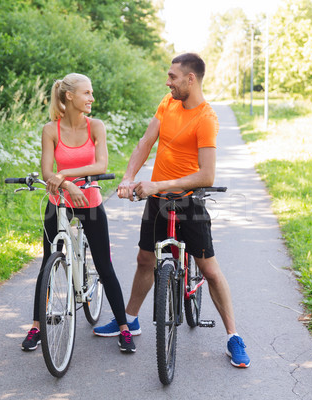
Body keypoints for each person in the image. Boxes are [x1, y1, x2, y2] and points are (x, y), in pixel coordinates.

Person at [93, 54, 250, 367]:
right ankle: (131, 318)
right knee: (144, 258)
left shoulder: (206, 118)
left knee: (209, 269)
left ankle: (234, 336)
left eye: (172, 77)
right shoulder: (167, 103)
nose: (168, 82)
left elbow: (207, 175)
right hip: (158, 199)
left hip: (189, 202)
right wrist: (128, 177)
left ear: (190, 79)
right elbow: (145, 142)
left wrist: (159, 184)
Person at [21, 73, 136, 353]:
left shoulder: (96, 126)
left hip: (90, 201)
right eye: (87, 93)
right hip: (59, 200)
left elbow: (101, 165)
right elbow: (47, 172)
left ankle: (124, 328)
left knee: (104, 266)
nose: (92, 98)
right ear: (70, 96)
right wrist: (66, 185)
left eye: (92, 93)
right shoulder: (51, 130)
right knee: (47, 261)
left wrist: (67, 175)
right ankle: (37, 326)